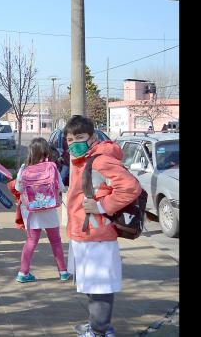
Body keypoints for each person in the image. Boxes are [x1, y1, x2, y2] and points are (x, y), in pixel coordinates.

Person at [64, 115, 141, 337]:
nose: (74, 142)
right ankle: (98, 325)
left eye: (79, 137)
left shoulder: (99, 160)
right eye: (69, 139)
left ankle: (99, 331)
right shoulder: (84, 159)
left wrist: (101, 207)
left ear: (92, 137)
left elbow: (130, 187)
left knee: (100, 287)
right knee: (92, 284)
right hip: (86, 232)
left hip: (97, 234)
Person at [14, 138, 72, 283]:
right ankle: (63, 272)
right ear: (46, 151)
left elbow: (17, 188)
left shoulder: (24, 169)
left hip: (32, 212)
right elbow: (61, 187)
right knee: (56, 242)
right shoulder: (51, 167)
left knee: (31, 242)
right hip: (49, 210)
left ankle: (23, 273)